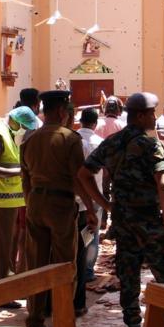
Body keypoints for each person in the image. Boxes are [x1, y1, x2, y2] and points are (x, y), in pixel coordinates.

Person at [78, 92, 164, 327]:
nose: (155, 118)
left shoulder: (112, 143)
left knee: (128, 276)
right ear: (141, 115)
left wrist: (106, 205)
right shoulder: (149, 144)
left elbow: (84, 174)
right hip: (149, 221)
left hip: (124, 222)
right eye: (152, 113)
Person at [20, 91, 96, 327]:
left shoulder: (30, 140)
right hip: (60, 205)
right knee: (65, 265)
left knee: (37, 263)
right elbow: (78, 179)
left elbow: (25, 180)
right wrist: (91, 208)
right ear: (62, 111)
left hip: (35, 203)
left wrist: (31, 202)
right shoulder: (69, 139)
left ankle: (35, 320)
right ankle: (65, 320)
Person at [0, 106, 39, 293]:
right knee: (0, 247)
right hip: (0, 198)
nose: (23, 130)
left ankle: (6, 285)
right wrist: (20, 172)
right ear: (14, 120)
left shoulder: (7, 133)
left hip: (10, 199)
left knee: (7, 246)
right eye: (23, 126)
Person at [76, 108, 104, 285]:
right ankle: (87, 270)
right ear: (95, 123)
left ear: (80, 121)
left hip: (76, 194)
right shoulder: (99, 142)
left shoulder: (74, 140)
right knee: (92, 233)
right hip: (95, 193)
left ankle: (76, 267)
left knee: (77, 231)